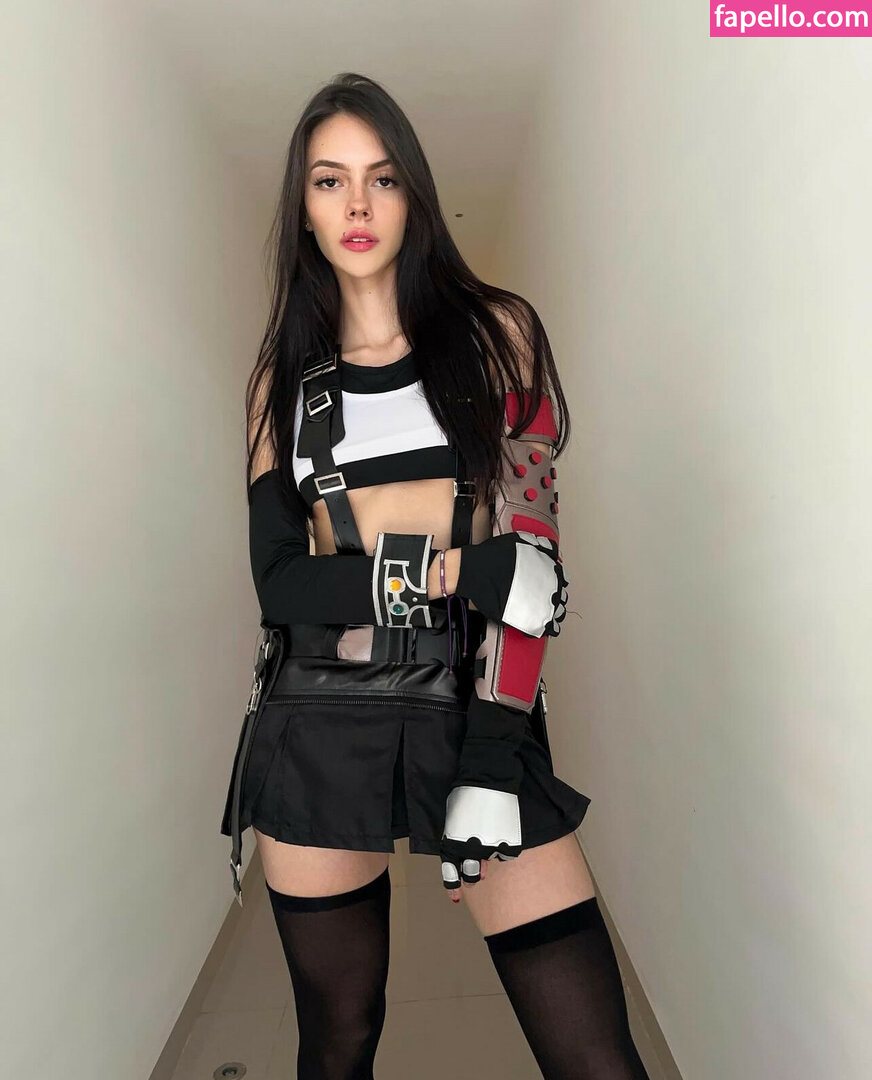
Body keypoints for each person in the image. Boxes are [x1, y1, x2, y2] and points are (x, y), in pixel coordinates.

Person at [220, 73, 649, 1080]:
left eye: (381, 178)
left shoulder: (499, 333)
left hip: (474, 703)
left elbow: (532, 577)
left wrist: (493, 758)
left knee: (595, 1057)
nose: (357, 205)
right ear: (303, 208)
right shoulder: (282, 384)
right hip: (316, 715)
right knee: (337, 1040)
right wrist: (459, 567)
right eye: (329, 181)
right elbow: (283, 586)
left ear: (413, 193)